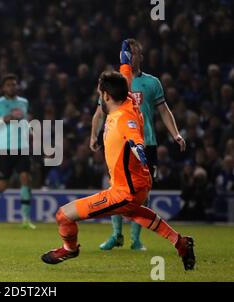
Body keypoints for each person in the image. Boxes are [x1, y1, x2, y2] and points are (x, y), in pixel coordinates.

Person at [41, 70, 195, 271]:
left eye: (99, 94)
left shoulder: (123, 118)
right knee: (133, 213)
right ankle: (180, 242)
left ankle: (69, 249)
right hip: (137, 184)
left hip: (125, 191)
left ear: (106, 95)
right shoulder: (129, 102)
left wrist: (139, 150)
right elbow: (126, 81)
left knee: (64, 216)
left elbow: (135, 139)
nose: (99, 97)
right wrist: (124, 63)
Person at [90, 39, 186, 251]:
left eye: (134, 53)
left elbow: (164, 111)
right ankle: (116, 234)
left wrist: (176, 135)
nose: (130, 57)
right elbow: (100, 112)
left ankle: (135, 239)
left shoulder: (152, 83)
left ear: (140, 57)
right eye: (127, 53)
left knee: (142, 193)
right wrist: (93, 136)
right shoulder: (115, 83)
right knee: (115, 189)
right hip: (119, 143)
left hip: (146, 144)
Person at [0, 74, 36, 229]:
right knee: (4, 183)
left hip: (22, 147)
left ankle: (25, 219)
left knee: (26, 178)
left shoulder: (24, 102)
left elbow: (26, 121)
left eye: (14, 84)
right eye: (9, 85)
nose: (12, 87)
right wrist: (3, 120)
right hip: (4, 148)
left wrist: (30, 131)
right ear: (3, 88)